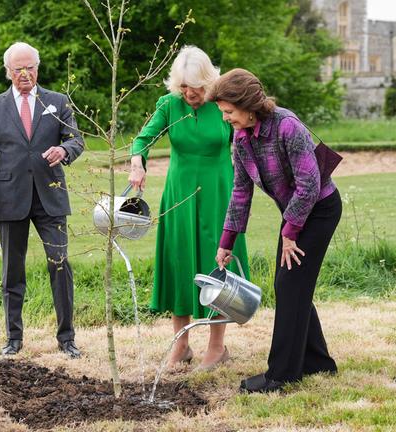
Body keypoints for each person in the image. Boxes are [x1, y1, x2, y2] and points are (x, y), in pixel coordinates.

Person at [208, 68, 341, 393]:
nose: (225, 118)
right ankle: (318, 362)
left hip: (319, 209)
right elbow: (241, 191)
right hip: (295, 213)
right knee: (292, 285)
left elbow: (309, 184)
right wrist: (227, 241)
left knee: (289, 284)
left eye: (228, 111)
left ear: (248, 105)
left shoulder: (287, 126)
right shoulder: (241, 138)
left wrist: (290, 232)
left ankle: (281, 375)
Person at [128, 46, 250, 369]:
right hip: (179, 195)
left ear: (207, 80)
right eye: (183, 86)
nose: (188, 93)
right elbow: (142, 140)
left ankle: (217, 347)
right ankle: (181, 345)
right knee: (179, 260)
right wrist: (137, 162)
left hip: (218, 193)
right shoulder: (169, 105)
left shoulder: (223, 105)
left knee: (217, 264)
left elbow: (247, 139)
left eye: (194, 86)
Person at [0, 42, 84, 359]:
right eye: (18, 69)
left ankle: (67, 339)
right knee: (12, 272)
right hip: (10, 199)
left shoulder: (57, 101)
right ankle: (13, 338)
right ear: (8, 72)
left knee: (60, 265)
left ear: (38, 68)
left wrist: (64, 150)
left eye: (30, 68)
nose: (25, 74)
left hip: (51, 196)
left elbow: (76, 139)